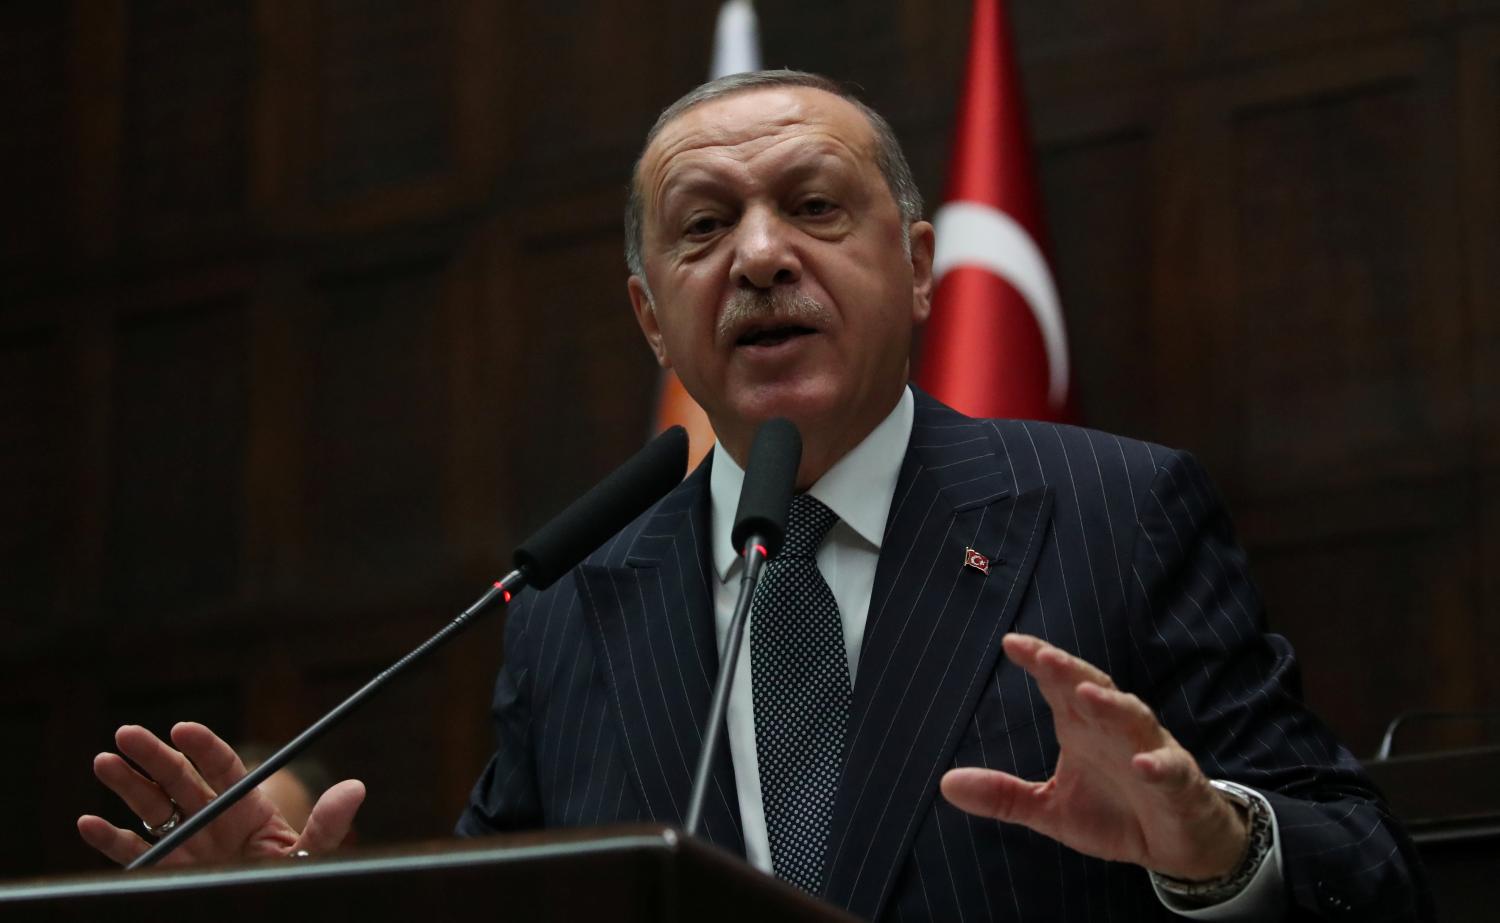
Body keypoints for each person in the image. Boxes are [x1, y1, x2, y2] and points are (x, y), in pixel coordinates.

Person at [79, 71, 1427, 921]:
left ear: (914, 269)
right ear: (651, 320)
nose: (761, 255)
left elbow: (1372, 872)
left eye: (814, 210)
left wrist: (1213, 850)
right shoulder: (572, 604)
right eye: (706, 227)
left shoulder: (1113, 512)